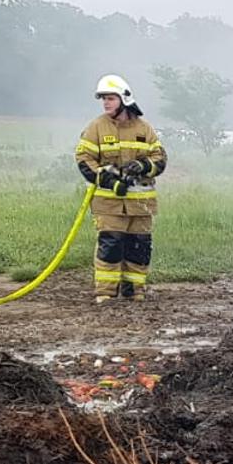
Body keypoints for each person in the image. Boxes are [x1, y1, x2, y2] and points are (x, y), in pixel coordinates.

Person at [75, 75, 168, 302]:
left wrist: (144, 165)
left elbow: (160, 159)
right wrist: (110, 182)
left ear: (124, 99)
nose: (106, 103)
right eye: (104, 99)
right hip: (109, 203)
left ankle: (135, 291)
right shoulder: (96, 127)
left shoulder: (144, 128)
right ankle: (105, 294)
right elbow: (84, 160)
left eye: (110, 98)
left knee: (139, 247)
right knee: (111, 245)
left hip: (141, 204)